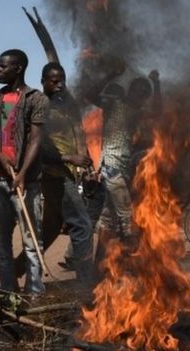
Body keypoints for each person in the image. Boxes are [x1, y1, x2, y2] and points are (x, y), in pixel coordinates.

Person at [0, 49, 48, 297]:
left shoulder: (36, 99)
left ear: (18, 68)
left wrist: (21, 174)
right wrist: (0, 158)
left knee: (32, 242)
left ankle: (35, 292)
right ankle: (9, 292)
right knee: (1, 243)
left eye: (3, 66)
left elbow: (36, 140)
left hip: (26, 183)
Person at [85, 64, 154, 245]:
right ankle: (132, 249)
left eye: (145, 94)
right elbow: (90, 94)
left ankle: (95, 259)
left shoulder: (138, 114)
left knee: (108, 216)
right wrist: (110, 74)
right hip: (111, 166)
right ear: (130, 91)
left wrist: (157, 84)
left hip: (123, 167)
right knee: (125, 212)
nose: (141, 96)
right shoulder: (115, 104)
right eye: (138, 92)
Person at [39, 62, 94, 283]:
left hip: (68, 173)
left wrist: (85, 164)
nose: (60, 84)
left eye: (62, 80)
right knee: (82, 226)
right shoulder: (41, 107)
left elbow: (76, 135)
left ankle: (17, 270)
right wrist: (68, 158)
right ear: (43, 81)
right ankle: (85, 284)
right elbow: (39, 146)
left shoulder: (63, 105)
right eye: (54, 81)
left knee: (50, 230)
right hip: (54, 175)